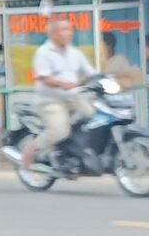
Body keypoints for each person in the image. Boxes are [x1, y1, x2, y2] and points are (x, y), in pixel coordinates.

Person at [13, 17, 97, 173]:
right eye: (64, 30)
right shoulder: (44, 53)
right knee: (60, 130)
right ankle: (32, 149)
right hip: (50, 100)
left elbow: (91, 73)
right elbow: (44, 78)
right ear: (53, 33)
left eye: (70, 30)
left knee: (94, 117)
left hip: (73, 97)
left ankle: (77, 153)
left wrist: (105, 80)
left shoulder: (74, 52)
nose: (69, 33)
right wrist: (63, 84)